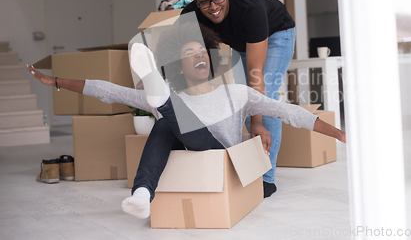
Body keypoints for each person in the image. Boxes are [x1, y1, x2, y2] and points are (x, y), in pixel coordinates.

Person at [27, 22, 346, 220]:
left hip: (220, 152)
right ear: (178, 66)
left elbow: (290, 112)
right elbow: (109, 91)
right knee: (166, 122)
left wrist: (339, 133)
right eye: (188, 53)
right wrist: (54, 81)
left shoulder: (237, 93)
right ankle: (142, 196)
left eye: (202, 52)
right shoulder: (178, 99)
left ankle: (158, 97)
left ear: (210, 58)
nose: (198, 56)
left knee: (165, 113)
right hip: (179, 128)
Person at [181, 0, 297, 196]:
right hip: (242, 43)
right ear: (196, 3)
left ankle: (266, 178)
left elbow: (256, 73)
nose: (213, 7)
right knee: (240, 101)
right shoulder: (188, 17)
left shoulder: (250, 8)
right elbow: (189, 65)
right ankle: (252, 167)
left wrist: (257, 122)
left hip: (276, 34)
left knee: (264, 100)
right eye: (205, 3)